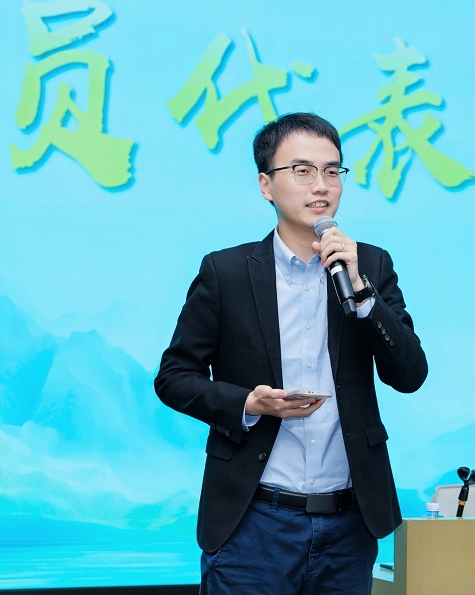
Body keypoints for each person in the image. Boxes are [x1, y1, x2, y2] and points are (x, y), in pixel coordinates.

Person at [156, 112, 428, 594]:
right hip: (254, 521)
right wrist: (248, 403)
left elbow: (409, 374)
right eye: (302, 170)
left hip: (348, 525)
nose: (321, 185)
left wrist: (364, 295)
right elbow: (174, 377)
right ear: (266, 184)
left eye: (332, 171)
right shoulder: (226, 273)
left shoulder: (370, 265)